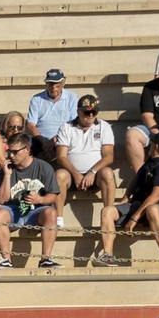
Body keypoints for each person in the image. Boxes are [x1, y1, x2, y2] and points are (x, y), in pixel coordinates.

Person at [96, 132, 159, 266]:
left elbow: (156, 196)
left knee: (152, 209)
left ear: (156, 146)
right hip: (137, 205)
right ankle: (107, 255)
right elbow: (137, 177)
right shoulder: (153, 160)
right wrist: (126, 196)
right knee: (107, 211)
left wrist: (134, 218)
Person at [0, 133, 61, 268]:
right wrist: (7, 175)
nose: (11, 155)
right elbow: (1, 200)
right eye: (9, 152)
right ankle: (6, 259)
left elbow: (53, 196)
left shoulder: (43, 167)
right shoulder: (6, 169)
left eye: (15, 152)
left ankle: (46, 258)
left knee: (51, 213)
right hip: (13, 209)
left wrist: (39, 199)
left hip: (37, 210)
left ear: (27, 149)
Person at [54, 94, 116, 225]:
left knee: (108, 173)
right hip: (71, 175)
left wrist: (92, 172)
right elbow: (61, 156)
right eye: (87, 112)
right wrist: (76, 174)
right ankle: (58, 218)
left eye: (94, 112)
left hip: (96, 174)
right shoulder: (66, 127)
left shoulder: (104, 126)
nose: (91, 115)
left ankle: (108, 216)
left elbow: (109, 156)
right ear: (78, 112)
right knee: (59, 175)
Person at [26, 69, 78, 153]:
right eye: (50, 84)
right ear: (46, 84)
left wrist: (55, 139)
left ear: (63, 83)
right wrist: (41, 139)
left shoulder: (71, 97)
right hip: (40, 139)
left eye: (56, 84)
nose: (53, 87)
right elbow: (31, 125)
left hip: (63, 137)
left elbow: (74, 123)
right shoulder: (36, 99)